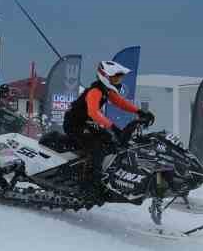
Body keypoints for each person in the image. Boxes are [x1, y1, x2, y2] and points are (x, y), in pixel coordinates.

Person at [63, 60, 153, 189]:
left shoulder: (106, 90)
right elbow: (93, 112)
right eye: (115, 78)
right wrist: (112, 127)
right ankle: (90, 182)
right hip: (74, 124)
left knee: (110, 142)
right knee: (97, 147)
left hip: (85, 123)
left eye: (119, 78)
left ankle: (104, 171)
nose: (118, 81)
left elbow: (121, 102)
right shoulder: (95, 91)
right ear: (105, 77)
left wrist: (139, 111)